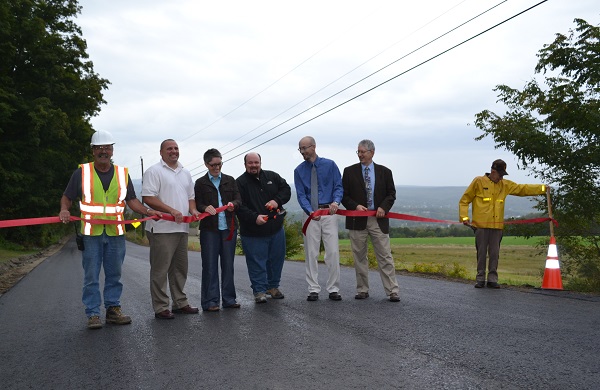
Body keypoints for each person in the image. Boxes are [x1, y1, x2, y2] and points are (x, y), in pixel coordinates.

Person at [59, 130, 158, 329]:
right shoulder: (82, 172)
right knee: (91, 275)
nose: (104, 151)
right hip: (91, 233)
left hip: (115, 233)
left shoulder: (122, 174)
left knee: (115, 274)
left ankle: (113, 309)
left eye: (107, 148)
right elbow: (67, 196)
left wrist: (148, 211)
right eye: (99, 148)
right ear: (93, 150)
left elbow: (131, 201)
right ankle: (93, 314)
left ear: (112, 150)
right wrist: (64, 210)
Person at [459, 159, 546, 288]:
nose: (501, 178)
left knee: (494, 254)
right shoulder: (478, 181)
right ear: (493, 172)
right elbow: (464, 200)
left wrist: (543, 188)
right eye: (500, 175)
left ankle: (492, 279)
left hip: (497, 226)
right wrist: (464, 217)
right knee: (481, 253)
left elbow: (522, 189)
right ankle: (480, 279)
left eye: (503, 175)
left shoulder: (504, 185)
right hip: (480, 226)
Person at [142, 139, 200, 319]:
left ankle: (180, 303)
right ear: (161, 152)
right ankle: (161, 307)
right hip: (161, 229)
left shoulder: (185, 172)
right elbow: (148, 198)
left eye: (176, 148)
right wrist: (171, 210)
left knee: (180, 269)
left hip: (181, 228)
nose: (173, 151)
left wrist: (193, 210)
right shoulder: (154, 171)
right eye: (169, 149)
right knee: (160, 270)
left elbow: (191, 197)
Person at [341, 139, 400, 302]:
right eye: (358, 152)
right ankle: (362, 289)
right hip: (356, 220)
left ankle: (392, 291)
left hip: (378, 219)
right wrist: (355, 206)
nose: (360, 155)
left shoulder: (385, 172)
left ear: (372, 152)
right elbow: (343, 196)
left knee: (385, 255)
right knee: (359, 256)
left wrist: (383, 207)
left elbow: (391, 194)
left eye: (363, 152)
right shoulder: (349, 171)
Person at [236, 152, 291, 303]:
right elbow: (239, 207)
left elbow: (286, 190)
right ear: (245, 164)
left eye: (256, 162)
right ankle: (259, 291)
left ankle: (273, 287)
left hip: (275, 229)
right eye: (250, 163)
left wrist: (276, 201)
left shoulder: (272, 177)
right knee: (256, 263)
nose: (253, 165)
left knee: (276, 260)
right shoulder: (240, 183)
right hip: (253, 232)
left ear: (260, 162)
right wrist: (254, 218)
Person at [294, 136, 343, 301]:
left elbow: (338, 186)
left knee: (333, 252)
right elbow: (301, 195)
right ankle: (313, 289)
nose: (302, 152)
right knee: (311, 252)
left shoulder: (330, 165)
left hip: (329, 212)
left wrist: (336, 202)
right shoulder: (298, 170)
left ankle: (333, 289)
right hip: (310, 215)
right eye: (300, 149)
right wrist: (310, 212)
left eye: (305, 148)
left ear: (313, 147)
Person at [194, 148, 241, 311]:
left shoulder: (230, 180)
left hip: (229, 228)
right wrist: (204, 207)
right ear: (206, 164)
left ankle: (229, 299)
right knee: (209, 265)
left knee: (228, 265)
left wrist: (232, 205)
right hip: (209, 230)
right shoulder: (200, 183)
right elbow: (197, 204)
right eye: (213, 165)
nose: (217, 167)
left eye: (219, 164)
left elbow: (238, 200)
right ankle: (210, 301)